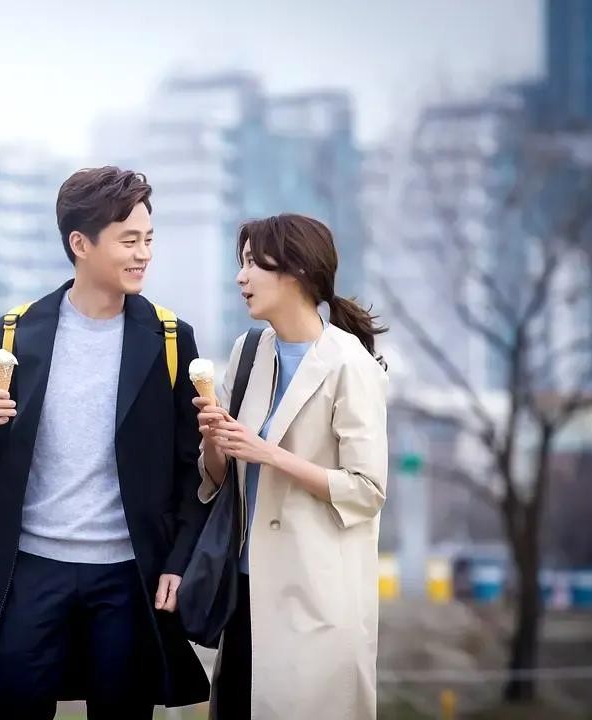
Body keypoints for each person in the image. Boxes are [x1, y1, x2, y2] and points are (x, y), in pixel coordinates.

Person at [0, 166, 210, 718]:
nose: (143, 255)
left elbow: (191, 471)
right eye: (128, 241)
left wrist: (178, 561)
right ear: (80, 244)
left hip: (128, 578)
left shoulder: (169, 339)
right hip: (31, 570)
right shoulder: (17, 333)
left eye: (148, 239)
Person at [194, 214, 389, 719]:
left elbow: (367, 489)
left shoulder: (350, 364)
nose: (241, 277)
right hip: (245, 591)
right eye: (241, 263)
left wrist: (269, 453)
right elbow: (219, 479)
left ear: (296, 271)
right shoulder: (248, 352)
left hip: (316, 599)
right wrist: (214, 439)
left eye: (252, 264)